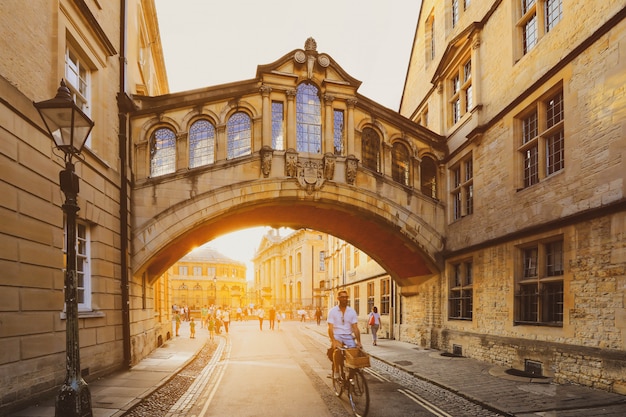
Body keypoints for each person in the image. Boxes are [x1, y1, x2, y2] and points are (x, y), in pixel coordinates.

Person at [328, 290, 362, 377]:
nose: (344, 299)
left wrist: (359, 342)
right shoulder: (332, 311)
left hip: (348, 336)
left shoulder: (351, 311)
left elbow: (355, 328)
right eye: (342, 297)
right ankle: (336, 370)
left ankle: (351, 376)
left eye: (346, 297)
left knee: (354, 352)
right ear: (338, 299)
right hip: (337, 335)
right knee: (337, 350)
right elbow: (330, 328)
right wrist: (333, 341)